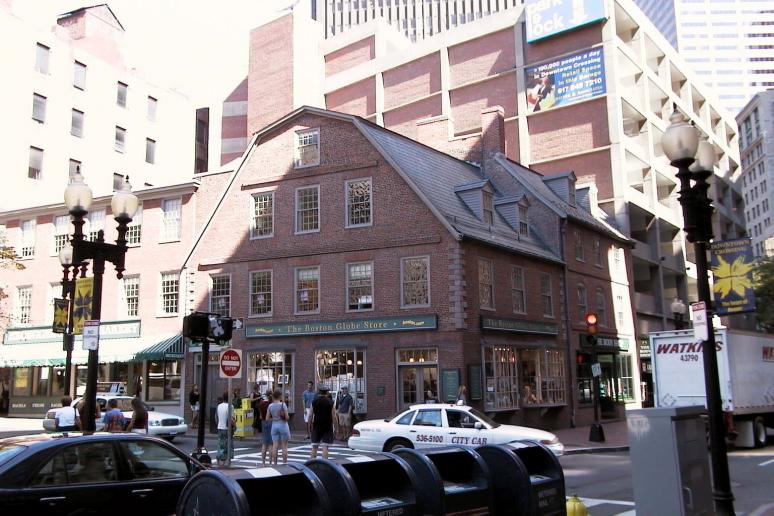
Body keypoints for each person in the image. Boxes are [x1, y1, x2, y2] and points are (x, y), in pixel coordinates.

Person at [310, 386, 335, 459]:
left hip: (316, 425)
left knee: (314, 446)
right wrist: (336, 427)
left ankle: (312, 464)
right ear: (327, 392)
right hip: (327, 425)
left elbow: (310, 415)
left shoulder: (314, 401)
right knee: (325, 447)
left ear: (319, 392)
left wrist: (310, 425)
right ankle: (325, 463)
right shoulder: (330, 402)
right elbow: (334, 415)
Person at [267, 389, 290, 465]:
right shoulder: (283, 405)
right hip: (283, 425)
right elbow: (287, 417)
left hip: (274, 425)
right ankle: (284, 463)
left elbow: (267, 418)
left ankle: (275, 464)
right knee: (284, 446)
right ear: (280, 396)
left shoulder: (270, 406)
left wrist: (275, 418)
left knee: (275, 445)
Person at [216, 394, 235, 467]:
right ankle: (225, 462)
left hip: (220, 427)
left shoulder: (219, 406)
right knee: (228, 445)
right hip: (227, 428)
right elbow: (232, 419)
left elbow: (216, 417)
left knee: (220, 444)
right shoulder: (230, 406)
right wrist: (235, 426)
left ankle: (218, 459)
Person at [258, 389, 273, 466]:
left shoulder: (261, 404)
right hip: (271, 422)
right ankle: (270, 462)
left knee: (264, 444)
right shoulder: (271, 403)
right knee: (270, 444)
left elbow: (260, 416)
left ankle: (263, 462)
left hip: (264, 422)